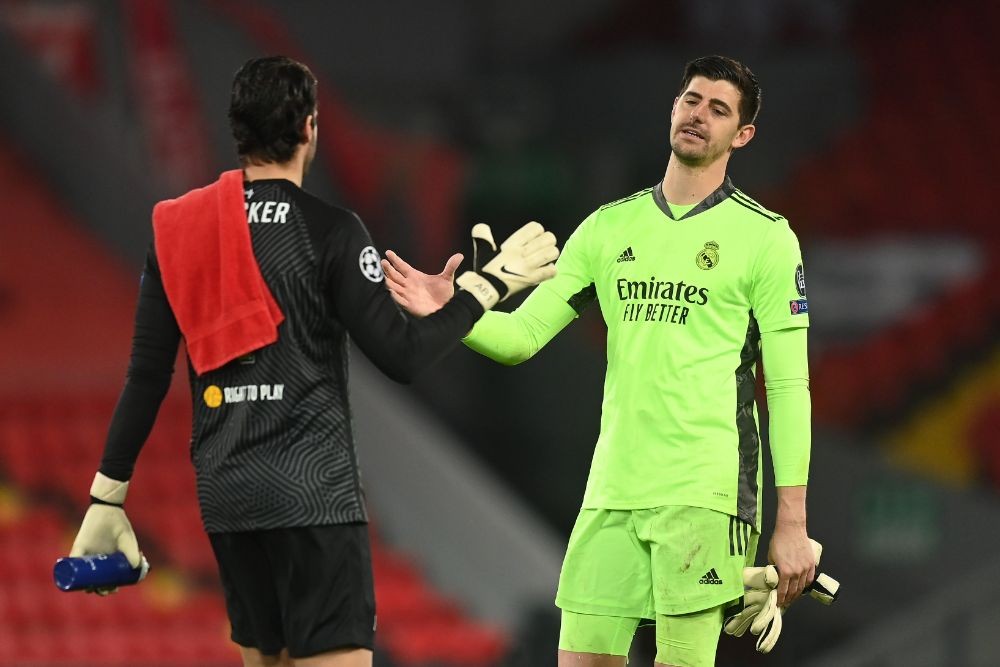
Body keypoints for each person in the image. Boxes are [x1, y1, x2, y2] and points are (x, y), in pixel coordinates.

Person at [68, 56, 559, 667]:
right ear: (308, 128)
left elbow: (146, 374)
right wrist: (485, 289)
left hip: (230, 502)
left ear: (238, 130)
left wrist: (107, 496)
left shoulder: (179, 232)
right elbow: (404, 356)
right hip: (313, 500)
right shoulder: (330, 232)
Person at [382, 55, 816, 667]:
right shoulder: (607, 229)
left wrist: (792, 523)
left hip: (706, 494)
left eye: (719, 110)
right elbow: (522, 336)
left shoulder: (766, 238)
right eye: (692, 100)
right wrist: (453, 310)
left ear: (741, 135)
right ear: (673, 108)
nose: (699, 115)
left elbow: (790, 385)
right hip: (612, 491)